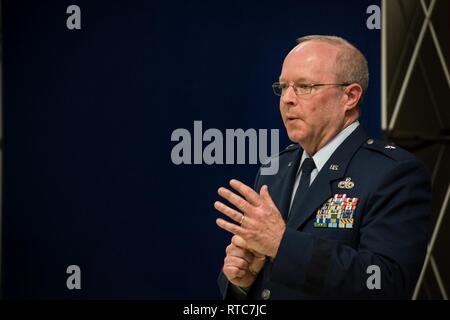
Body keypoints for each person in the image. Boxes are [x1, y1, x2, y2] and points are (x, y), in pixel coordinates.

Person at [214, 35, 431, 299]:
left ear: (349, 96)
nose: (287, 99)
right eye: (283, 87)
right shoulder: (275, 168)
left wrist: (282, 244)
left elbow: (385, 284)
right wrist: (243, 283)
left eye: (304, 86)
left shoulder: (393, 173)